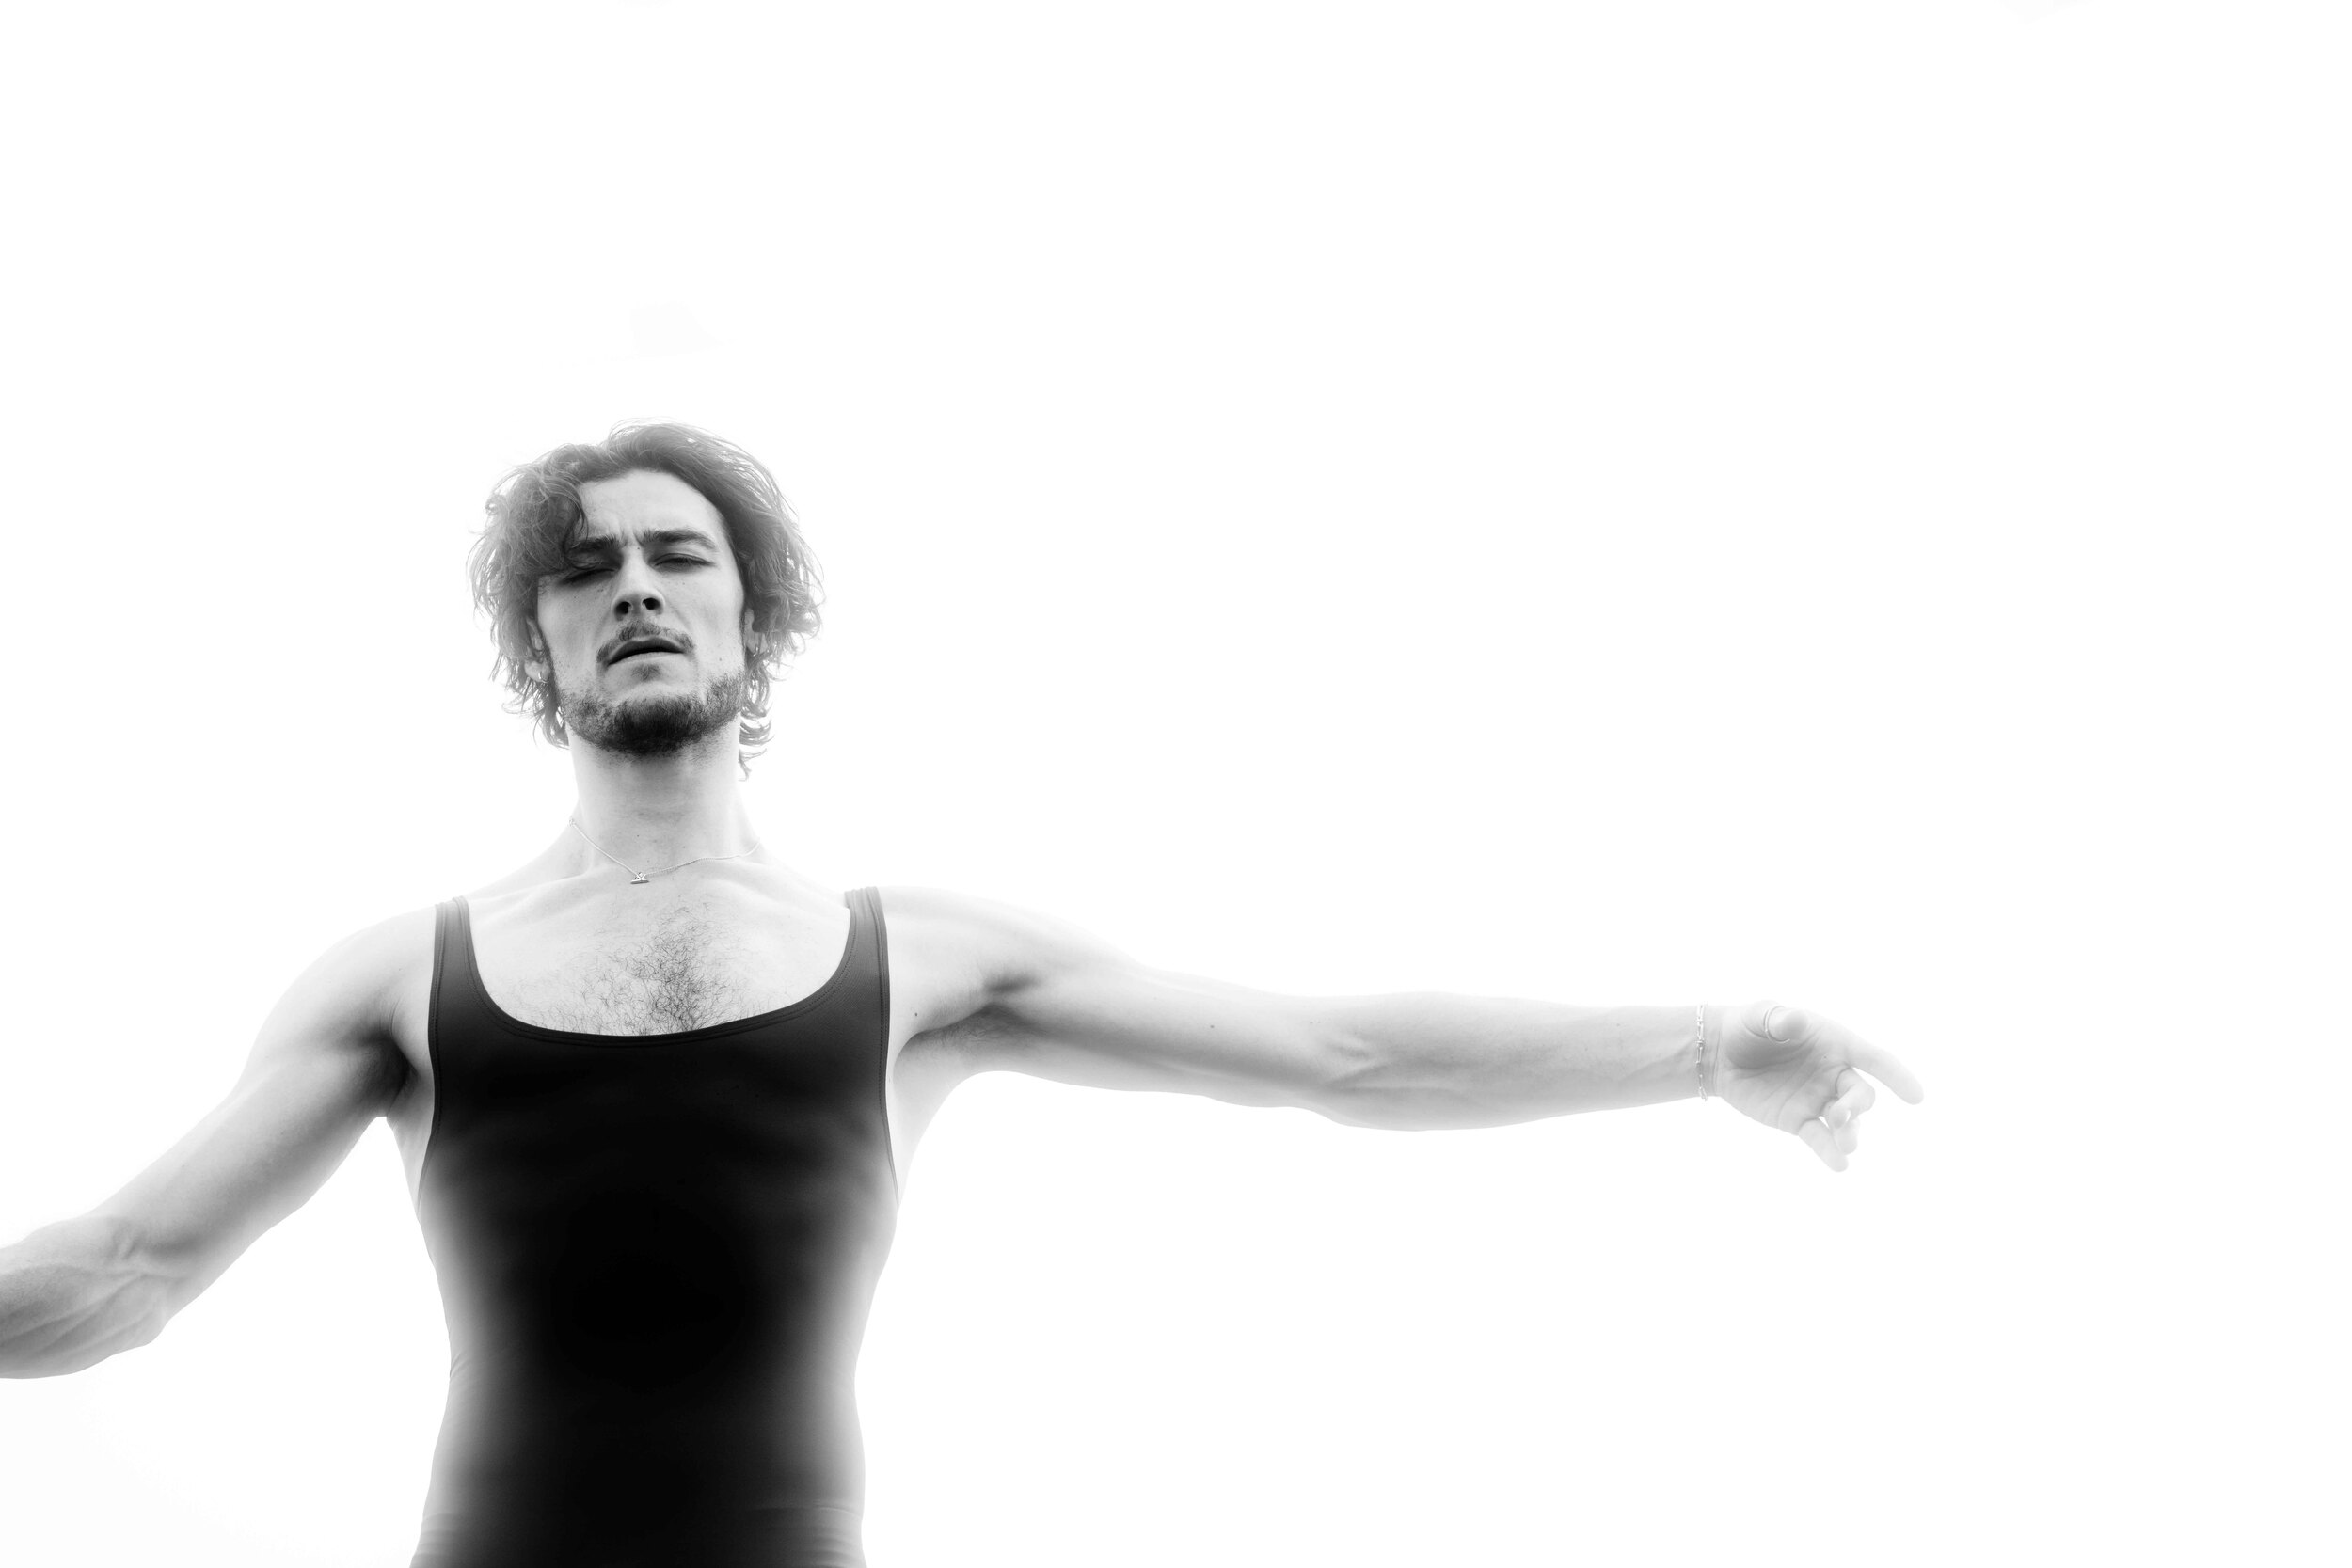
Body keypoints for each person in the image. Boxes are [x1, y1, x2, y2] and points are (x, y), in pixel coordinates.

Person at [0, 422, 1924, 1568]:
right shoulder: (399, 976)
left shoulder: (918, 955)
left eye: (679, 555)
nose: (637, 587)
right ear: (542, 644)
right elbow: (127, 1270)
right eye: (586, 572)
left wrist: (1698, 1047)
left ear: (750, 620)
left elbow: (1341, 1053)